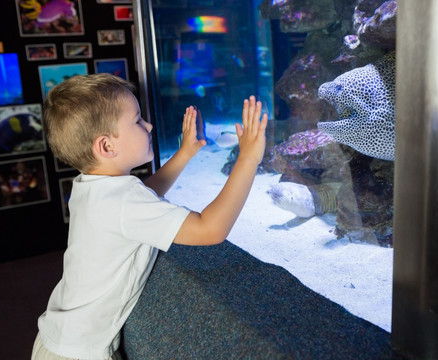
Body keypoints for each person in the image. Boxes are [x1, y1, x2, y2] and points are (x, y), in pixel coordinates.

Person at [31, 73, 268, 360]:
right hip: (78, 354)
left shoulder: (90, 185)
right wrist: (248, 158)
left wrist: (184, 153)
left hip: (54, 339)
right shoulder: (124, 200)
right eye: (137, 120)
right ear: (107, 146)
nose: (149, 125)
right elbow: (210, 230)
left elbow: (144, 194)